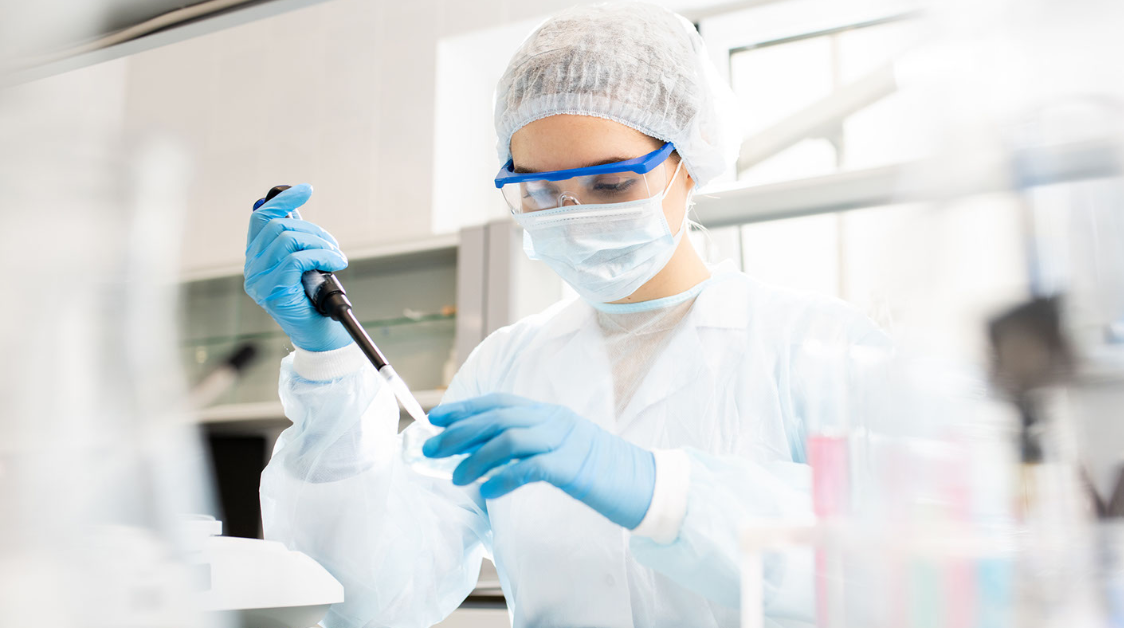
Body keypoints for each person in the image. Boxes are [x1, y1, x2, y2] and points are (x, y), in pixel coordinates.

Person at [244, 3, 887, 627]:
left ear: (689, 160)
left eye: (611, 184)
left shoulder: (817, 346)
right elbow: (369, 599)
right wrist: (327, 362)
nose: (576, 216)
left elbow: (899, 566)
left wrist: (661, 491)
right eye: (543, 192)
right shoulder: (505, 366)